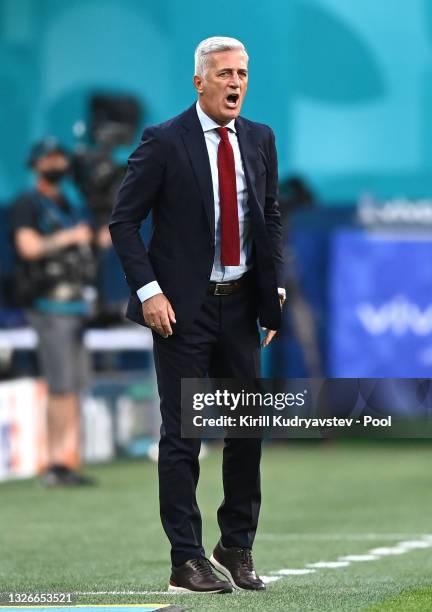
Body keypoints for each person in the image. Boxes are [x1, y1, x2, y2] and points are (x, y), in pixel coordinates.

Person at [109, 36, 285, 593]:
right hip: (180, 312)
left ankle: (236, 545)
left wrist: (271, 287)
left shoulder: (259, 138)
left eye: (243, 74)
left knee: (246, 430)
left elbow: (270, 216)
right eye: (225, 73)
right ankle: (185, 559)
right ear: (199, 81)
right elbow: (123, 222)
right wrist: (149, 292)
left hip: (240, 309)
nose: (236, 83)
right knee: (184, 435)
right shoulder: (163, 141)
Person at [10, 138, 96, 486]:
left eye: (60, 158)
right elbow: (28, 248)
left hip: (77, 305)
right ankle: (55, 463)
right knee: (59, 385)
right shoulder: (27, 204)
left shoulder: (71, 202)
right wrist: (69, 238)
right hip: (49, 305)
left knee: (74, 385)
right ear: (36, 164)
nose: (57, 164)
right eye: (50, 158)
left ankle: (69, 458)